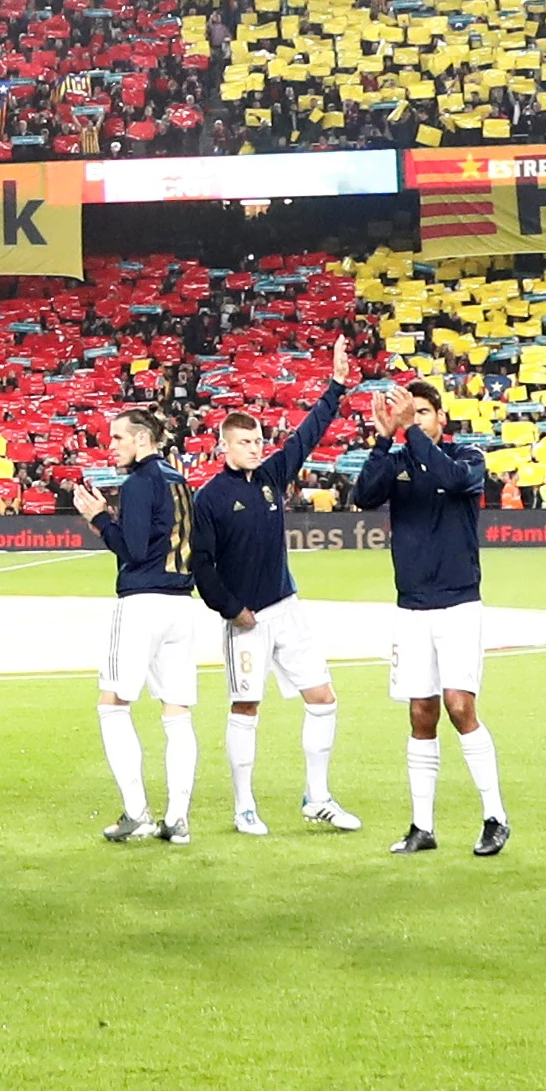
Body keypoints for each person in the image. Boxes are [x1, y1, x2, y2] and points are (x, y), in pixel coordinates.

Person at [194, 347, 363, 836]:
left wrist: (336, 386)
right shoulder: (210, 498)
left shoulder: (270, 477)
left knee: (324, 698)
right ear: (225, 446)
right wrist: (230, 608)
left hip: (287, 608)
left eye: (258, 440)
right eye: (246, 442)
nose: (255, 447)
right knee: (246, 707)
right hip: (246, 620)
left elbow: (307, 436)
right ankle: (244, 806)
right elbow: (201, 564)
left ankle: (318, 796)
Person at [351, 380, 507, 858]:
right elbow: (363, 496)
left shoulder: (469, 458)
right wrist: (383, 439)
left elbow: (453, 481)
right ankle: (423, 826)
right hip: (411, 605)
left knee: (460, 705)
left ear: (441, 416)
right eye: (408, 413)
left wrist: (409, 434)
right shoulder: (396, 461)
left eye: (422, 412)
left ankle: (495, 817)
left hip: (458, 602)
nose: (414, 420)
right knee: (421, 712)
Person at [67, 406, 208, 842]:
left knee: (113, 703)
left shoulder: (140, 482)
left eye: (117, 439)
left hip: (142, 601)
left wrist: (100, 519)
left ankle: (137, 813)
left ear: (142, 440)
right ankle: (178, 819)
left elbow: (129, 549)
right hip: (181, 603)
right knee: (177, 712)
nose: (111, 447)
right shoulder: (179, 479)